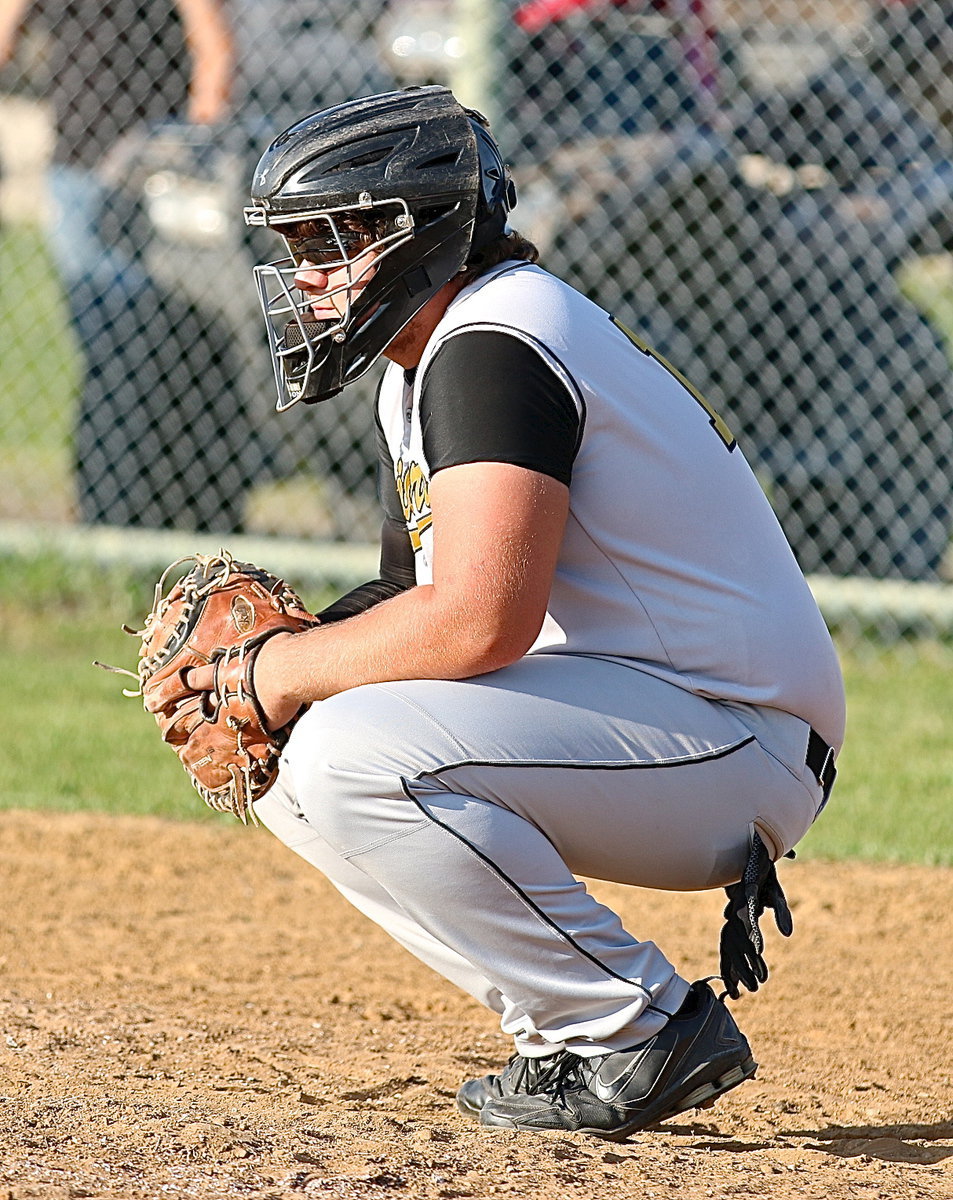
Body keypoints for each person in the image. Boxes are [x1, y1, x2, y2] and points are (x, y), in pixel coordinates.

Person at [228, 85, 845, 1138]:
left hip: (725, 735)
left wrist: (275, 674)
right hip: (654, 720)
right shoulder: (439, 353)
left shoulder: (496, 340)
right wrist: (271, 659)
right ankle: (573, 1037)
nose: (307, 280)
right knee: (299, 748)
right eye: (296, 250)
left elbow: (478, 623)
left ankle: (632, 1028)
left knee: (346, 750)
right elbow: (414, 592)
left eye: (328, 243)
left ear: (413, 232)